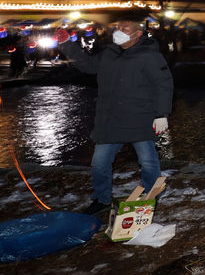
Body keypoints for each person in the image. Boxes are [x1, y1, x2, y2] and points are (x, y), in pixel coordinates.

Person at [55, 14, 173, 215]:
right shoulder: (109, 53)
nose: (118, 32)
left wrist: (162, 114)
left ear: (138, 34)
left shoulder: (150, 56)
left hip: (140, 118)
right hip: (110, 120)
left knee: (148, 161)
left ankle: (152, 196)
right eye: (117, 28)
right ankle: (101, 199)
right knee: (99, 163)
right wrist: (67, 44)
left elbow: (164, 85)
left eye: (124, 29)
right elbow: (87, 65)